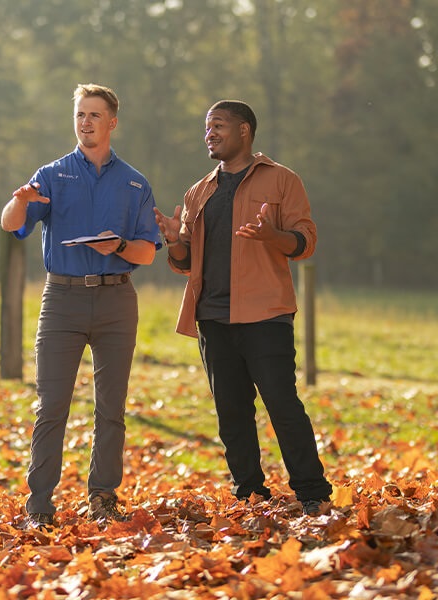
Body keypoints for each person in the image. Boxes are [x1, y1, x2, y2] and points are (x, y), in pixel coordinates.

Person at [154, 100, 333, 516]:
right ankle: (249, 494)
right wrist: (174, 240)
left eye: (218, 125)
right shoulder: (199, 191)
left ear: (245, 131)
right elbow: (186, 263)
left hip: (266, 314)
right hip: (212, 318)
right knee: (231, 412)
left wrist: (274, 236)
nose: (209, 134)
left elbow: (305, 241)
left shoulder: (282, 180)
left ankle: (312, 493)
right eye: (206, 127)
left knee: (282, 405)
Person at [1, 83, 160, 528]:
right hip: (63, 300)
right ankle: (39, 505)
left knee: (112, 407)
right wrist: (19, 202)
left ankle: (103, 498)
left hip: (116, 299)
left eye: (94, 115)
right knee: (51, 405)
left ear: (112, 122)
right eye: (79, 115)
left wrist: (120, 245)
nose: (85, 122)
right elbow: (12, 226)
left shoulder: (134, 182)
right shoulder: (51, 174)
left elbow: (148, 252)